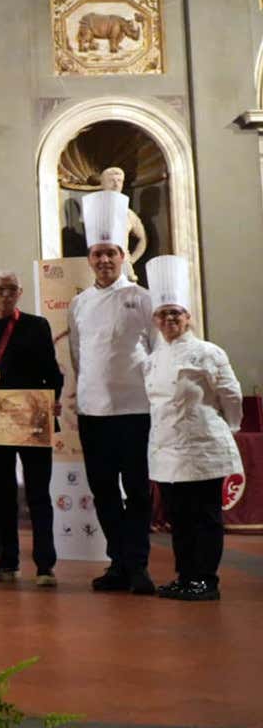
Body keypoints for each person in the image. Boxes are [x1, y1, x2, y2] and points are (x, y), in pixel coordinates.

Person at [67, 190, 156, 595]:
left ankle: (138, 565)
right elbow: (77, 354)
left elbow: (157, 351)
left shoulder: (142, 298)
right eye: (97, 253)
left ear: (123, 256)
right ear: (89, 258)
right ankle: (118, 562)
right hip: (93, 412)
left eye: (111, 253)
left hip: (135, 410)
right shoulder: (79, 303)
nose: (104, 260)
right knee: (102, 491)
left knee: (137, 492)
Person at [144, 255, 242, 601]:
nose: (169, 319)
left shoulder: (209, 353)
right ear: (155, 320)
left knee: (205, 517)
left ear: (187, 316)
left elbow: (231, 396)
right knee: (179, 519)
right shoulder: (152, 360)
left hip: (203, 447)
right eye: (163, 314)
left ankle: (206, 580)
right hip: (168, 450)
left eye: (175, 313)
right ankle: (186, 576)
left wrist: (227, 428)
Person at [0, 271, 64, 586]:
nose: (6, 295)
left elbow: (52, 371)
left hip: (33, 421)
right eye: (0, 290)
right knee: (3, 494)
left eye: (11, 289)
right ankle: (8, 562)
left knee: (38, 494)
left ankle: (45, 565)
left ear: (20, 293)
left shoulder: (37, 326)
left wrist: (53, 399)